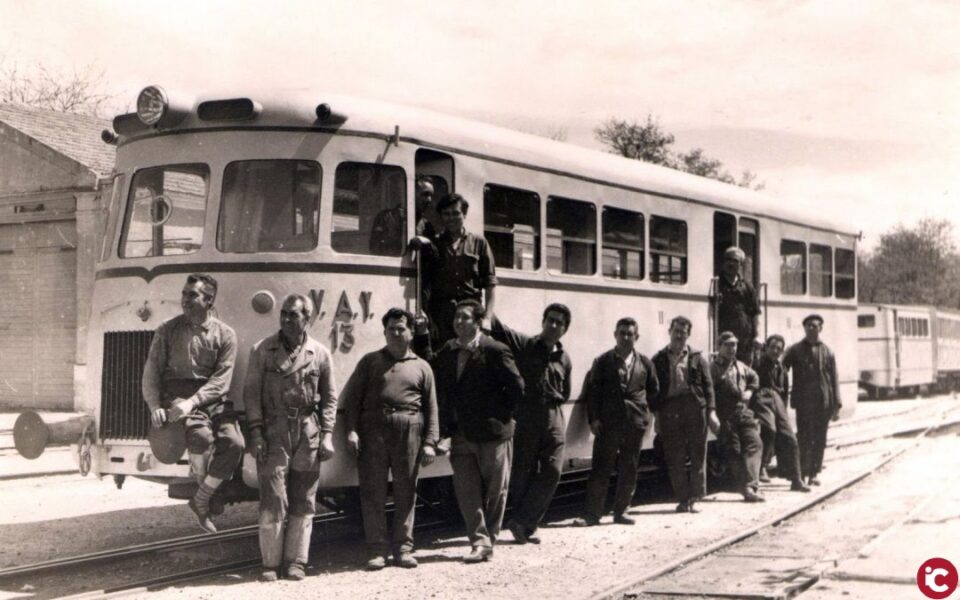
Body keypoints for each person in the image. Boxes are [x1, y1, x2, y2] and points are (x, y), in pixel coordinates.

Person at [414, 300, 524, 563]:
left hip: (493, 433)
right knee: (467, 491)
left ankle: (490, 539)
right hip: (461, 434)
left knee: (496, 491)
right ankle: (480, 541)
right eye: (456, 318)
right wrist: (422, 334)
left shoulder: (496, 349)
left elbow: (517, 388)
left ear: (477, 322)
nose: (458, 322)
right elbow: (429, 365)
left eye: (464, 318)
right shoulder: (450, 349)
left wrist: (503, 417)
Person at [243, 294, 338, 581]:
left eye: (293, 315)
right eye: (283, 313)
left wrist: (327, 435)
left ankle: (296, 562)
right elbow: (251, 395)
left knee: (304, 498)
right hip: (274, 430)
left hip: (307, 430)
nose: (285, 319)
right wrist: (257, 432)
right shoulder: (262, 350)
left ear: (307, 319)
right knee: (273, 497)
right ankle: (270, 564)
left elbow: (330, 398)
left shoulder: (319, 353)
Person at [142, 274, 244, 533]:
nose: (185, 300)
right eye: (184, 294)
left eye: (192, 295)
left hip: (213, 399)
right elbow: (151, 372)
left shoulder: (226, 334)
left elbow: (221, 380)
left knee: (235, 443)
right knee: (200, 437)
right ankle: (206, 500)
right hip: (178, 396)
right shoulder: (168, 330)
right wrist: (155, 406)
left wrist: (193, 403)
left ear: (209, 300)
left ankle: (201, 499)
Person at [342, 308, 439, 570]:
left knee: (406, 490)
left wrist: (430, 442)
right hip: (373, 432)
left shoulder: (422, 366)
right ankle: (377, 550)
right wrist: (351, 429)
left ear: (410, 332)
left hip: (409, 431)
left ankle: (404, 549)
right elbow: (352, 401)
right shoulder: (369, 362)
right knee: (372, 491)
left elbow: (431, 408)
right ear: (384, 332)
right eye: (391, 329)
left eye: (401, 328)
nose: (396, 333)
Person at [490, 304, 572, 544]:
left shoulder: (564, 358)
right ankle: (526, 526)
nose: (554, 325)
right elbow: (500, 329)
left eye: (559, 322)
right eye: (550, 320)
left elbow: (565, 390)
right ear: (543, 321)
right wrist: (486, 304)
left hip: (554, 415)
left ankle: (523, 521)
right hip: (528, 414)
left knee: (553, 470)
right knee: (522, 472)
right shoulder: (525, 345)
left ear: (565, 329)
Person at [573, 317, 659, 527]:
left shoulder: (646, 363)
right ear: (615, 335)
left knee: (629, 468)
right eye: (622, 333)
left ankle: (621, 511)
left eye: (630, 334)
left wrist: (645, 415)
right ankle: (592, 514)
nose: (626, 337)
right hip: (608, 425)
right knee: (601, 468)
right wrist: (594, 419)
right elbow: (593, 393)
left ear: (636, 337)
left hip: (634, 424)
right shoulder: (602, 362)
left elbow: (654, 390)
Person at [650, 316, 719, 513]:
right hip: (670, 409)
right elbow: (654, 391)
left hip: (695, 407)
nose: (679, 335)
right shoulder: (659, 359)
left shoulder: (697, 357)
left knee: (698, 454)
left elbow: (708, 387)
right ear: (669, 332)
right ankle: (682, 499)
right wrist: (657, 417)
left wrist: (712, 412)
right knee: (675, 456)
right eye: (676, 331)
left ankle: (696, 498)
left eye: (684, 332)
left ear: (688, 334)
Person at [412, 193, 497, 343]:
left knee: (472, 356)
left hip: (471, 313)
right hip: (442, 315)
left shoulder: (479, 243)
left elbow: (490, 284)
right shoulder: (434, 244)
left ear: (464, 214)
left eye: (456, 213)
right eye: (446, 214)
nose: (451, 218)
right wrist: (430, 319)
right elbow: (426, 286)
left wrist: (487, 318)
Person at [783, 314, 841, 487]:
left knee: (820, 438)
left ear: (820, 329)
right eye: (808, 325)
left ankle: (814, 473)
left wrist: (836, 405)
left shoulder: (828, 351)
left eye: (815, 326)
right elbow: (781, 368)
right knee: (804, 437)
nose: (811, 328)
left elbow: (834, 379)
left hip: (823, 403)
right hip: (804, 403)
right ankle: (801, 474)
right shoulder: (795, 350)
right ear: (804, 328)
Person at [710, 331, 765, 503]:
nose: (731, 348)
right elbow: (707, 391)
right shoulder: (712, 368)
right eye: (727, 345)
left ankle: (749, 486)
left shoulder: (740, 366)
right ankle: (745, 486)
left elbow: (754, 377)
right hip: (726, 415)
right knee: (734, 451)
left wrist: (749, 391)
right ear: (719, 347)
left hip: (744, 413)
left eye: (734, 345)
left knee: (755, 444)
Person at [752, 334, 810, 492]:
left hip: (778, 403)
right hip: (762, 400)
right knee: (769, 429)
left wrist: (782, 412)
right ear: (766, 348)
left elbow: (784, 393)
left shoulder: (782, 369)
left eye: (779, 349)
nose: (775, 351)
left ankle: (796, 479)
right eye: (772, 347)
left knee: (790, 438)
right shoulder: (758, 363)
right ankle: (761, 467)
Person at [369, 176, 439, 256]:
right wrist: (393, 235)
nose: (429, 200)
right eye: (425, 194)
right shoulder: (386, 217)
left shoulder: (427, 226)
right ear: (411, 193)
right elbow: (374, 249)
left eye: (431, 195)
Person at [717, 247, 761, 366]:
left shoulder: (747, 286)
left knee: (745, 372)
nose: (731, 263)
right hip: (725, 339)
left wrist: (757, 335)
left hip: (745, 341)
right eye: (728, 260)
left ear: (740, 264)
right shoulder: (717, 283)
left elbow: (755, 312)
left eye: (735, 261)